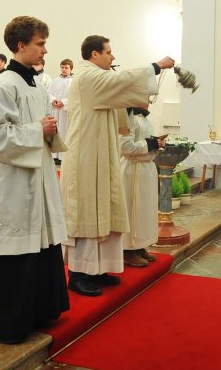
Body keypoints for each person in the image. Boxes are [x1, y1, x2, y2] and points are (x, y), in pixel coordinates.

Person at [0, 16, 69, 344]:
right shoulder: (3, 85)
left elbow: (39, 126)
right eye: (40, 44)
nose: (45, 50)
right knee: (14, 248)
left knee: (38, 244)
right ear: (21, 45)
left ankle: (38, 311)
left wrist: (46, 130)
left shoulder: (34, 84)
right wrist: (38, 130)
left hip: (35, 176)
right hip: (11, 181)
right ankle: (7, 322)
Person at [60, 35, 174, 297]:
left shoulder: (99, 77)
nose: (112, 57)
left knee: (105, 209)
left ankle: (98, 268)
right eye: (108, 52)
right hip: (86, 156)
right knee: (88, 211)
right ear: (94, 54)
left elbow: (120, 91)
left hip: (103, 153)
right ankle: (78, 274)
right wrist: (156, 66)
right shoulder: (87, 76)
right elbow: (120, 81)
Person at [120, 103, 165, 268]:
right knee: (134, 210)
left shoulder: (146, 119)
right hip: (133, 169)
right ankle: (128, 249)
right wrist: (151, 144)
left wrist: (157, 143)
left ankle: (140, 246)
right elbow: (125, 147)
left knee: (145, 211)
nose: (149, 101)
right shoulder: (128, 116)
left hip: (147, 168)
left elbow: (145, 142)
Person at [48, 59, 74, 164]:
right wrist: (53, 100)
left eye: (66, 67)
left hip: (65, 111)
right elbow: (48, 93)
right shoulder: (55, 80)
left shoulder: (73, 81)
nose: (63, 69)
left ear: (71, 68)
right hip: (55, 110)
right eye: (62, 67)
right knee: (55, 131)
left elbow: (75, 96)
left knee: (65, 132)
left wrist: (63, 102)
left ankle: (63, 157)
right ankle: (54, 155)